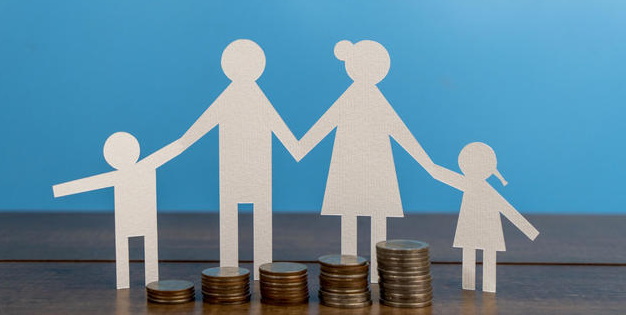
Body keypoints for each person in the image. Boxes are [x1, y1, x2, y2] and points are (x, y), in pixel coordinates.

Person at [297, 40, 436, 282]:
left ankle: (371, 273)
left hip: (369, 165)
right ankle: (356, 272)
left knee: (367, 213)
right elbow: (401, 133)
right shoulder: (358, 98)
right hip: (357, 164)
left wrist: (300, 147)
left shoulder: (362, 98)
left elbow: (400, 132)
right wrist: (428, 164)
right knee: (360, 213)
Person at [175, 39, 300, 280]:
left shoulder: (246, 97)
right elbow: (201, 127)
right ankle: (233, 271)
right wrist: (297, 148)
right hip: (238, 169)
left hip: (252, 169)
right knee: (237, 216)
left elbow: (277, 126)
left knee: (250, 216)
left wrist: (181, 144)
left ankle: (256, 271)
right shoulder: (240, 97)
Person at [53, 132, 183, 289]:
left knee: (144, 251)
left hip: (141, 220)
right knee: (129, 252)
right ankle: (129, 283)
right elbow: (89, 183)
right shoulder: (143, 167)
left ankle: (146, 282)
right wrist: (60, 190)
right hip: (129, 221)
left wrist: (191, 136)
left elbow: (175, 148)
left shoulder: (144, 166)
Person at [430, 142, 539, 292]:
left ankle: (485, 285)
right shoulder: (476, 186)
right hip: (474, 228)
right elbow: (439, 173)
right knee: (472, 253)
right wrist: (428, 165)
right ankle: (471, 285)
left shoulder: (477, 187)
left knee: (483, 254)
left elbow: (507, 209)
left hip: (485, 229)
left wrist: (530, 231)